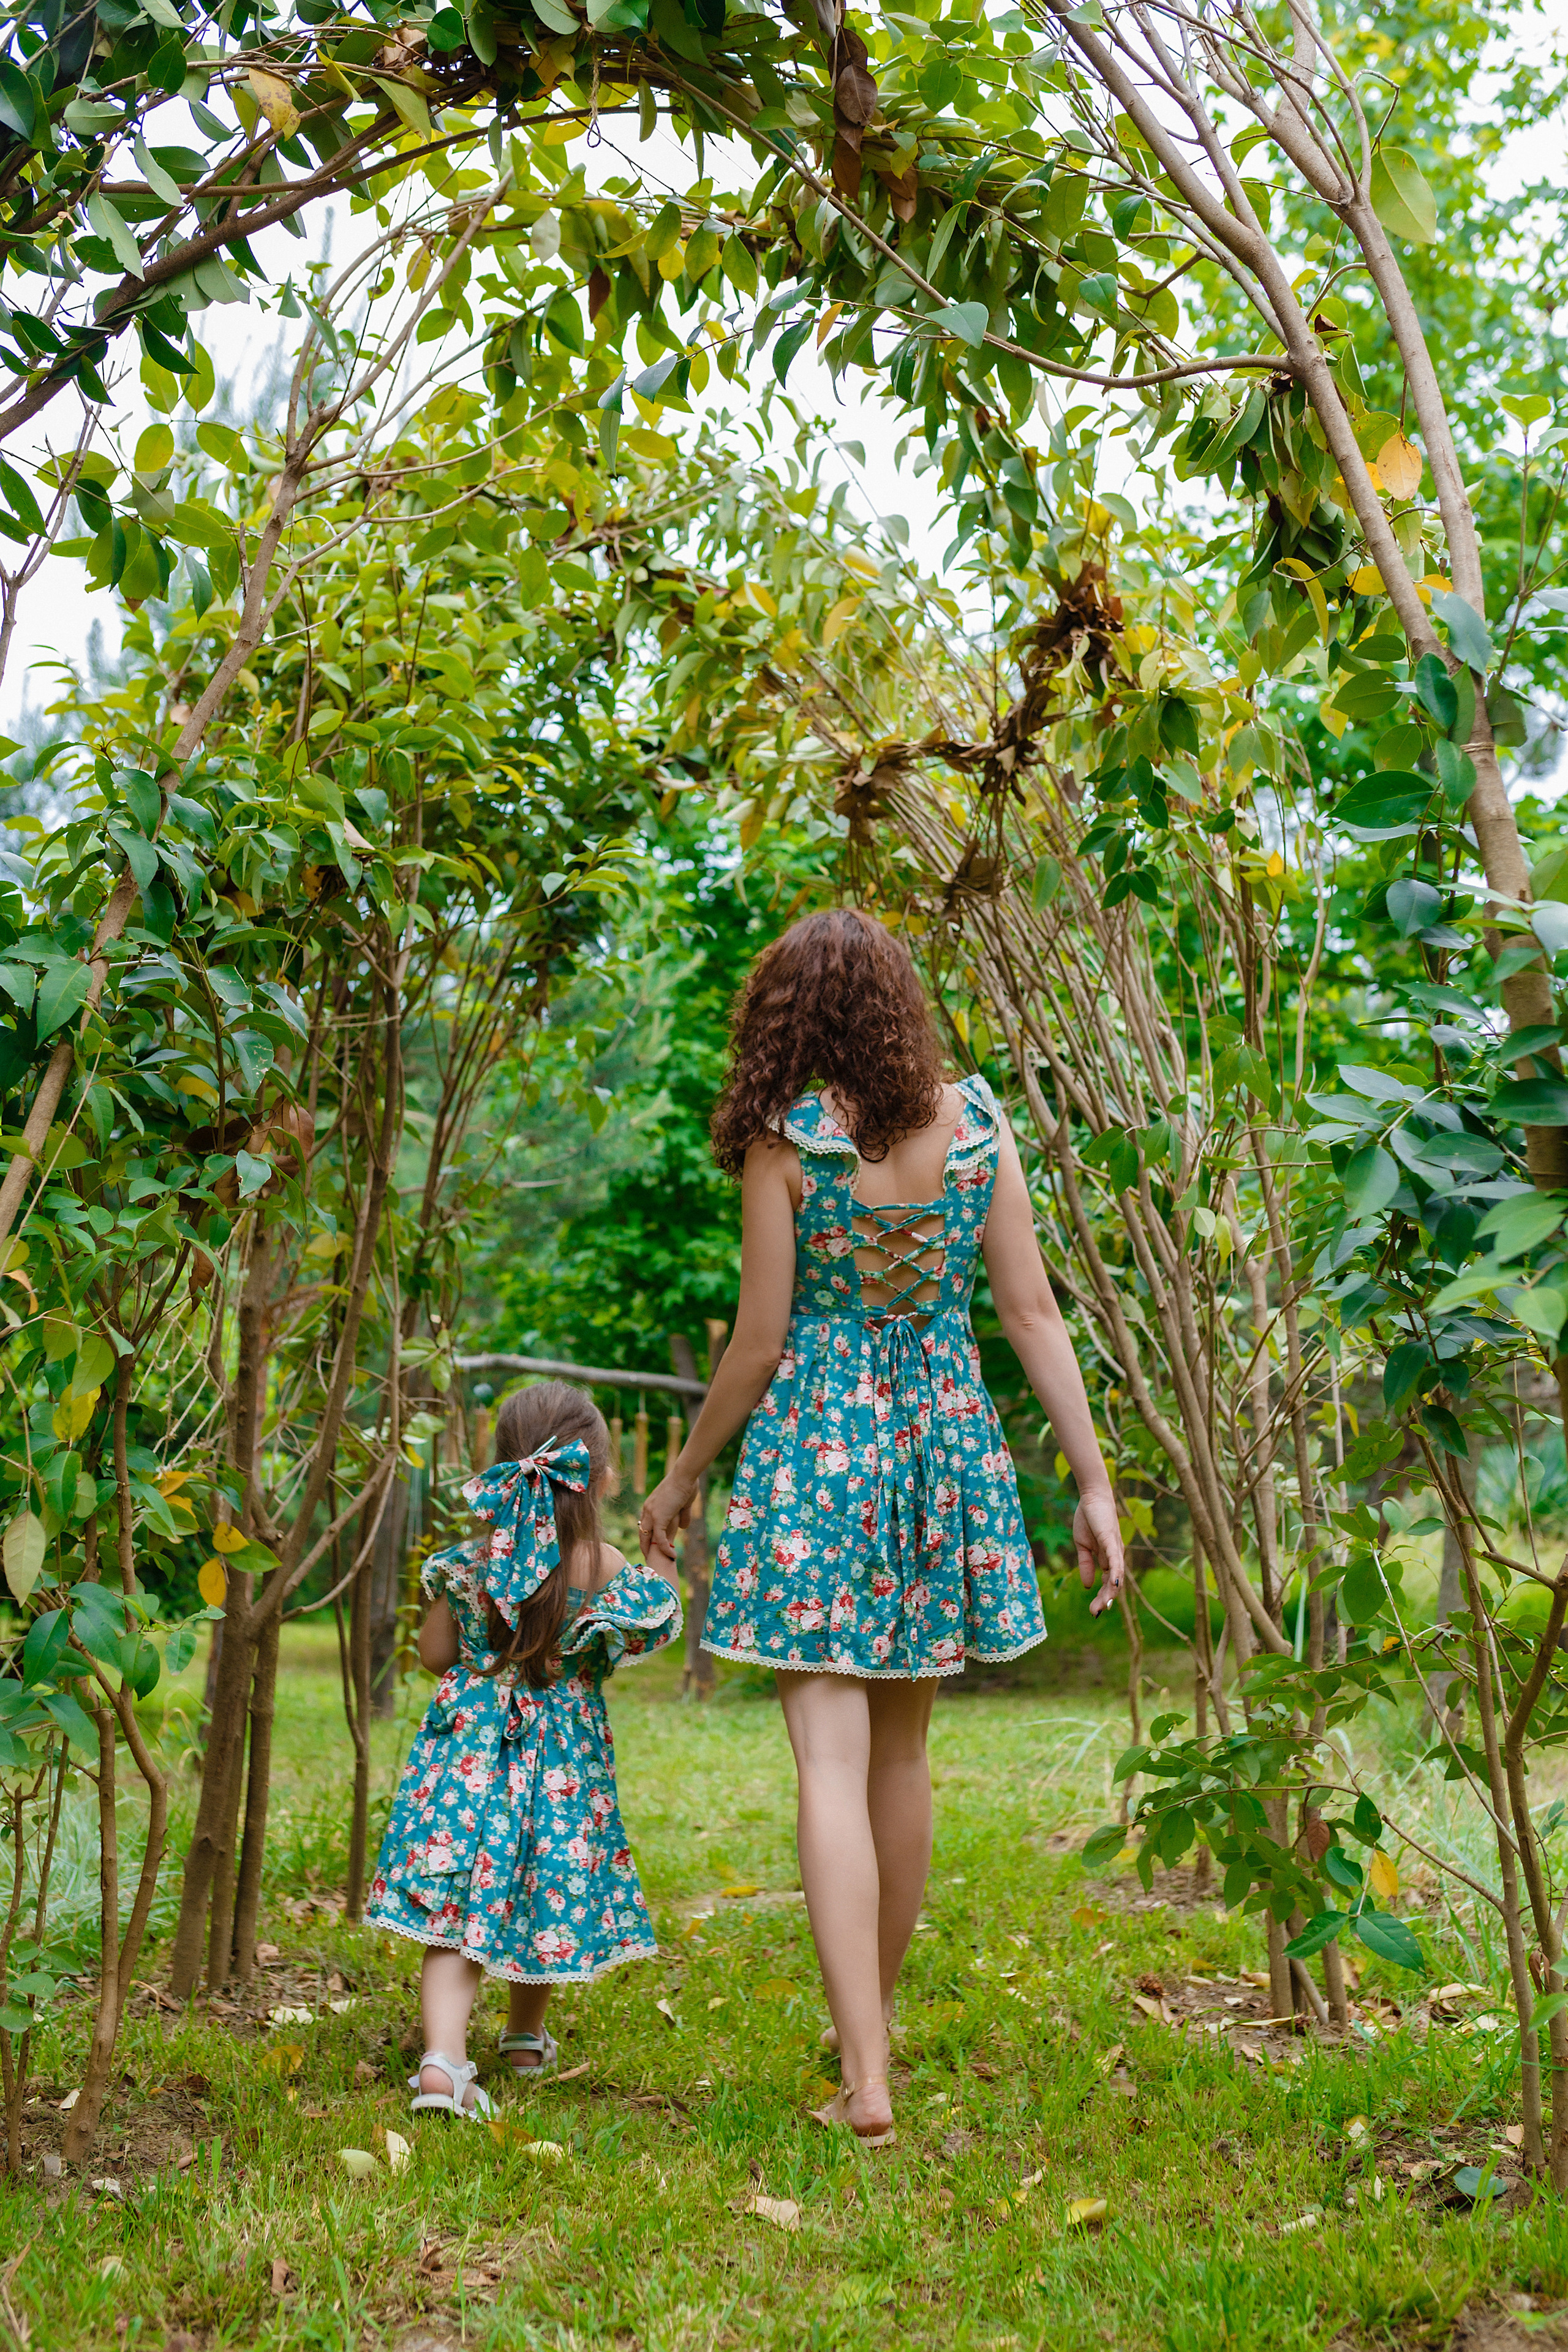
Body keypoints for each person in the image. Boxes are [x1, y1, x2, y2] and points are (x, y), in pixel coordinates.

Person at [639, 908, 1123, 2148]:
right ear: (899, 1004)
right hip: (942, 1445)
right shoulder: (979, 1125)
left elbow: (756, 1345)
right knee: (901, 1761)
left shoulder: (784, 1143)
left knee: (827, 1767)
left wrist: (684, 1475)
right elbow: (1030, 1314)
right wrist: (1092, 1480)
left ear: (787, 1016)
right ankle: (871, 2037)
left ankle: (864, 2076)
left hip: (816, 1456)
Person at [366, 1380, 680, 2119]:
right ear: (600, 1478)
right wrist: (662, 1554)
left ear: (502, 1464)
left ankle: (442, 2063)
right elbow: (655, 1624)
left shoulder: (467, 1562)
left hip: (468, 1757)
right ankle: (523, 2038)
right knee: (542, 1894)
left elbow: (432, 1655)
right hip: (563, 1770)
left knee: (455, 1910)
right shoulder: (602, 1567)